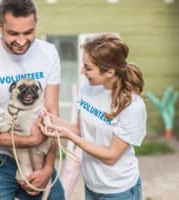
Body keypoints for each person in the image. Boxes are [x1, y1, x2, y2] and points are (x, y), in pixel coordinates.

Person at [0, 0, 65, 199]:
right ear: (0, 25)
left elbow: (52, 115)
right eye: (13, 34)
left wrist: (48, 166)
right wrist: (31, 140)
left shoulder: (48, 53)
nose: (21, 41)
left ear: (36, 23)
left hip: (39, 153)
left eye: (28, 32)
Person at [41, 33, 146, 200]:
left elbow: (111, 155)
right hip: (92, 185)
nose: (83, 72)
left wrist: (71, 138)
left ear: (109, 71)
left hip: (119, 191)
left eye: (88, 68)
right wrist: (48, 119)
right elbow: (78, 129)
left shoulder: (132, 106)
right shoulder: (88, 88)